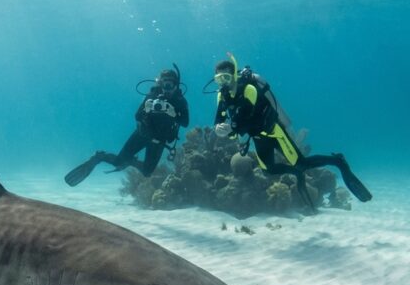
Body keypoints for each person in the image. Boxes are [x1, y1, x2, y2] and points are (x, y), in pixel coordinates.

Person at [211, 54, 372, 208]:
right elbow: (219, 119)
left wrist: (230, 130)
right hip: (257, 136)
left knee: (301, 163)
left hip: (273, 132)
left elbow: (245, 118)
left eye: (225, 77)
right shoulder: (221, 96)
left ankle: (338, 161)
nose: (222, 82)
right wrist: (219, 129)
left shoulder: (248, 89)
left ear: (233, 75)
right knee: (268, 169)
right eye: (218, 79)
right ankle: (297, 173)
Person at [65, 66, 189, 187]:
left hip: (159, 141)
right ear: (159, 84)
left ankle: (131, 161)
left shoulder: (180, 101)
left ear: (176, 85)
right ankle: (99, 157)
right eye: (164, 84)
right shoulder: (152, 96)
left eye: (170, 84)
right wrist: (147, 108)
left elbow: (185, 122)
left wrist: (173, 113)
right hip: (142, 134)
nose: (167, 88)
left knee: (147, 172)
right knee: (118, 162)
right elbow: (137, 116)